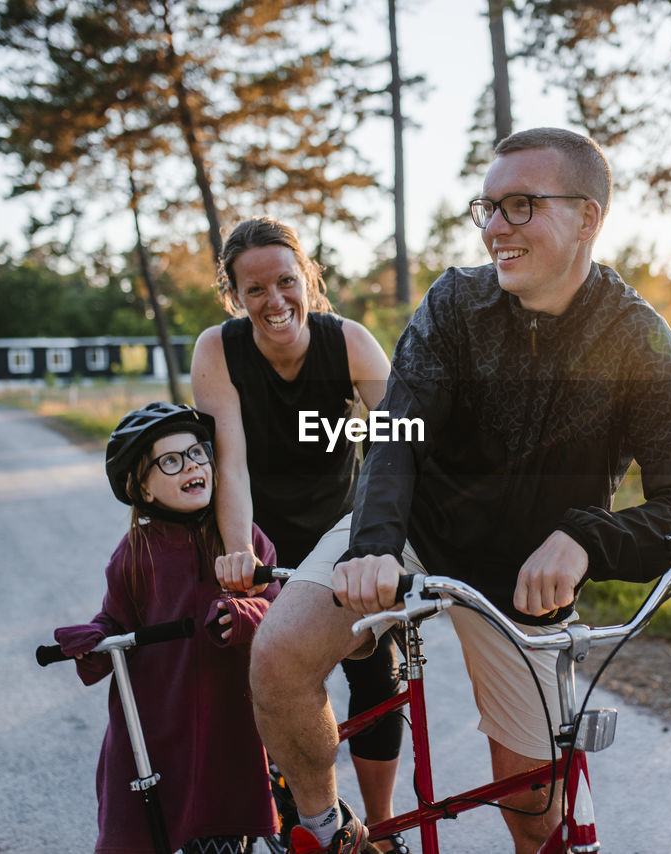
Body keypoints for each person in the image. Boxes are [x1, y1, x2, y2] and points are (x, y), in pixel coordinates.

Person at [249, 127, 671, 854]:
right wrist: (375, 545)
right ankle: (323, 829)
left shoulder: (642, 344)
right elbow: (396, 432)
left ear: (586, 219)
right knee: (279, 654)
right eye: (487, 208)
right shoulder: (454, 305)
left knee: (536, 808)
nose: (495, 229)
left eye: (519, 206)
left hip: (528, 572)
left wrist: (585, 538)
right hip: (412, 529)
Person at [190, 218, 405, 854]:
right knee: (272, 674)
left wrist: (388, 537)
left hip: (343, 529)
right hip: (259, 536)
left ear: (307, 278)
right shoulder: (217, 350)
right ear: (234, 296)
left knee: (376, 674)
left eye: (286, 281)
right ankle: (296, 816)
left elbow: (403, 443)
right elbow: (230, 461)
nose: (274, 300)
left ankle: (381, 831)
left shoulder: (351, 344)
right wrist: (239, 552)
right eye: (254, 289)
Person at [54, 402, 280, 854]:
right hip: (158, 724)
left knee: (223, 818)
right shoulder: (134, 554)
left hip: (226, 719)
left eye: (198, 454)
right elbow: (116, 621)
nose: (193, 466)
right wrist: (94, 642)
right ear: (144, 488)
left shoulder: (242, 540)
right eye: (172, 461)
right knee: (142, 825)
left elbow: (276, 610)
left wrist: (243, 616)